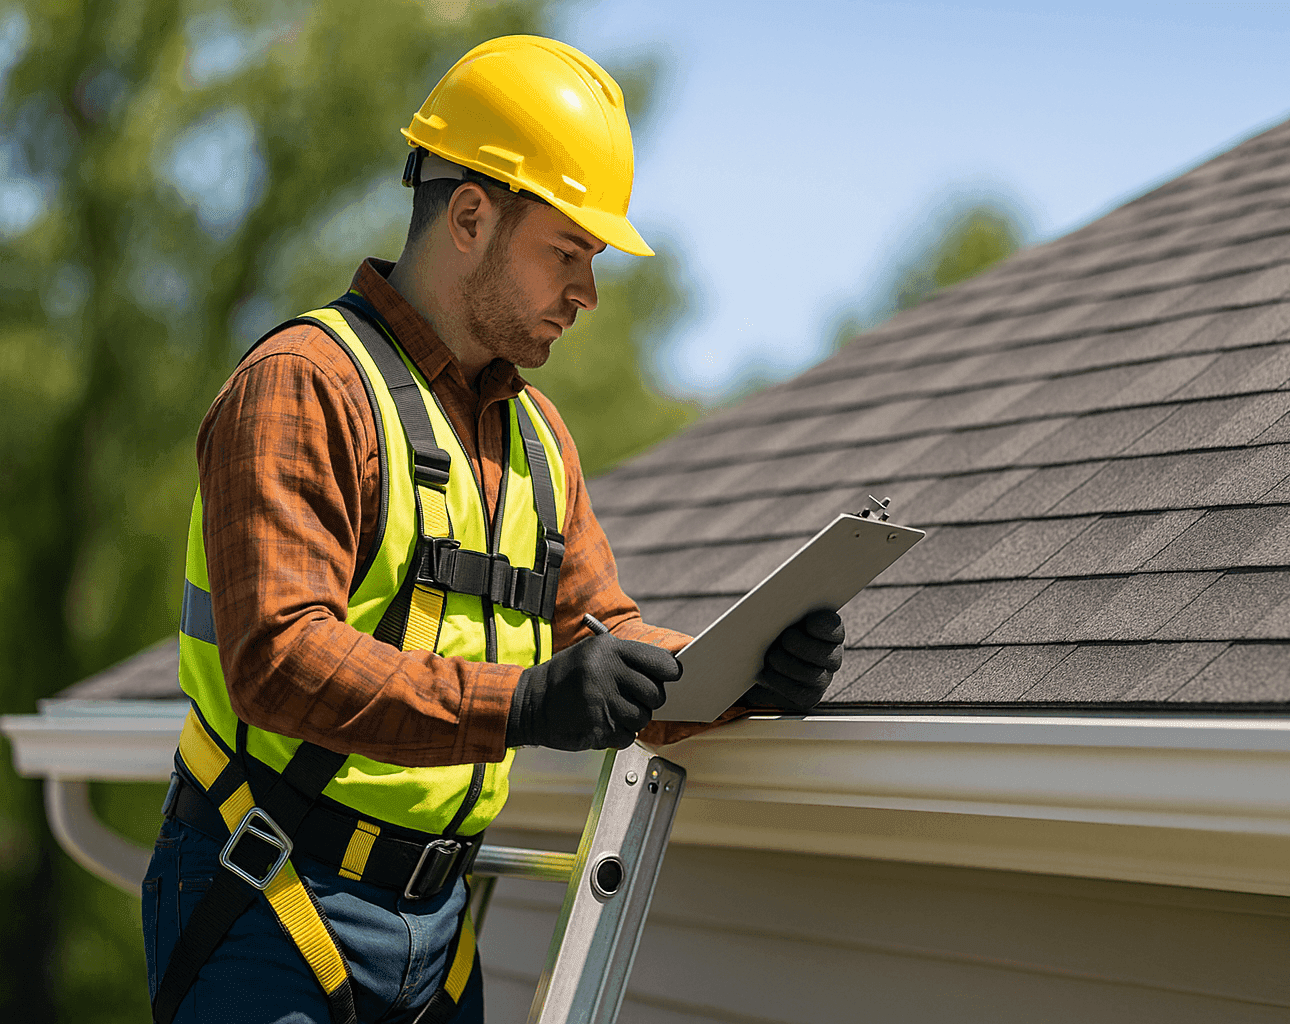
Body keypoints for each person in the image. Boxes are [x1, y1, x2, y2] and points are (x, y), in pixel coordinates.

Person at [142, 36, 845, 1024]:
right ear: (470, 215)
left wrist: (740, 674)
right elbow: (281, 661)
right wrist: (526, 704)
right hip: (268, 896)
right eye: (568, 252)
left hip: (437, 925)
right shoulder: (305, 384)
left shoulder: (539, 441)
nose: (588, 293)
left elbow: (603, 641)